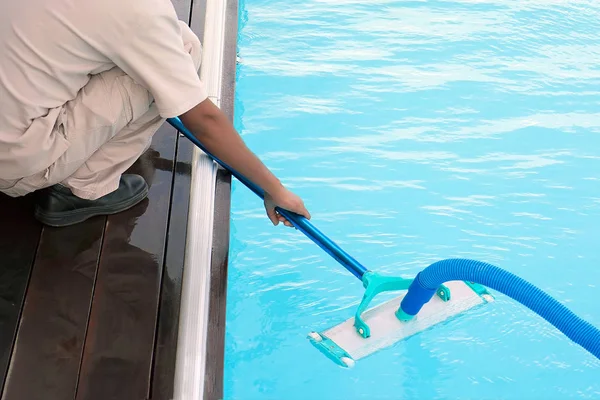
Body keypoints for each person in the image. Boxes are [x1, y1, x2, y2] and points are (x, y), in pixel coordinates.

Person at [0, 0, 310, 227]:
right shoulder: (139, 11)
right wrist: (274, 189)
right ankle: (82, 191)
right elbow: (203, 120)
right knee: (183, 49)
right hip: (12, 165)